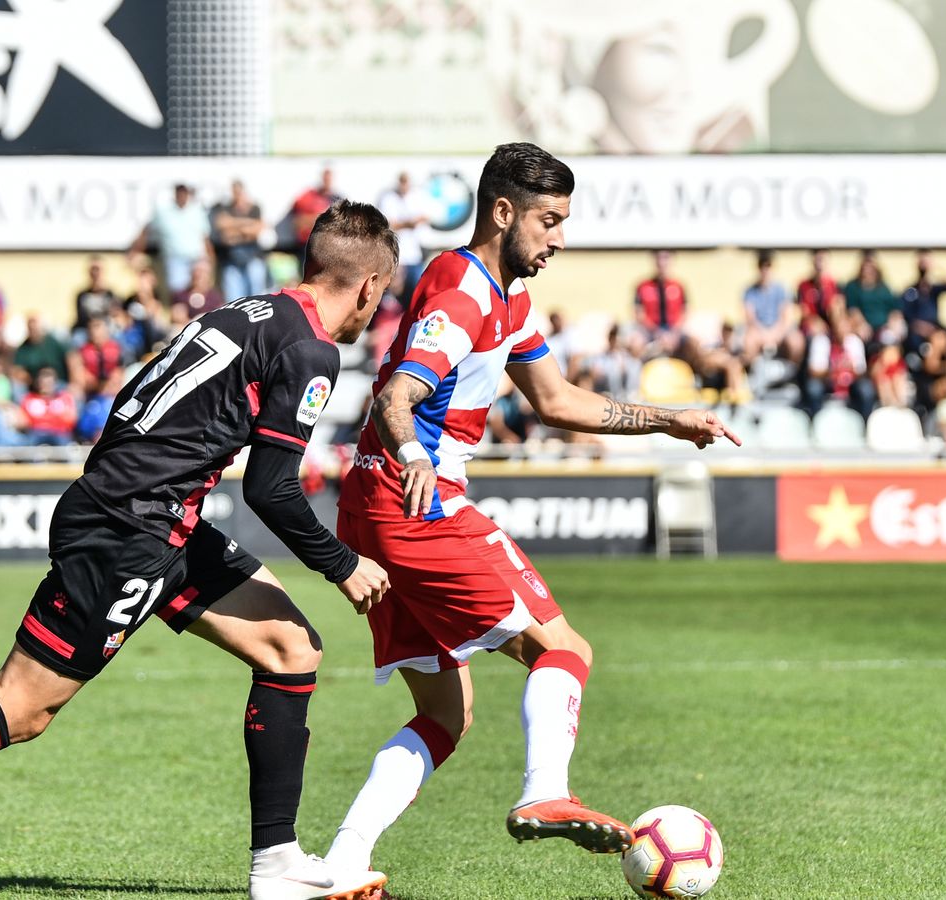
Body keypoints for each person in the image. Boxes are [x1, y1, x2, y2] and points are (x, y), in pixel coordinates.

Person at [0, 201, 402, 900]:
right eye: (383, 299)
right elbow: (272, 488)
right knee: (21, 708)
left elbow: (136, 398)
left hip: (153, 519)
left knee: (291, 649)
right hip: (129, 530)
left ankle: (278, 865)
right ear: (370, 286)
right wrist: (342, 563)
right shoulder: (310, 348)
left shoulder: (244, 312)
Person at [324, 144, 738, 891]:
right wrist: (416, 457)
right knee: (565, 648)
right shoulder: (464, 288)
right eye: (549, 221)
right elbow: (395, 397)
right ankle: (544, 791)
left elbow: (557, 401)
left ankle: (343, 863)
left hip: (375, 503)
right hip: (415, 499)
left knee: (446, 716)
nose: (559, 238)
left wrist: (668, 421)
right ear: (503, 212)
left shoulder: (505, 299)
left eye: (564, 222)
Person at [134, 183, 213, 292]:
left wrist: (210, 257)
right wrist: (136, 250)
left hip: (196, 258)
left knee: (201, 290)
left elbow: (205, 237)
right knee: (178, 291)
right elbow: (147, 230)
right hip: (175, 259)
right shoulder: (163, 212)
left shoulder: (196, 211)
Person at [212, 180, 270, 300]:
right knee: (233, 298)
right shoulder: (225, 208)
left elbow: (256, 231)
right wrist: (247, 225)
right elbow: (224, 231)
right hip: (231, 259)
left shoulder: (254, 208)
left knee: (256, 297)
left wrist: (233, 226)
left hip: (253, 257)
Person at [741, 250, 799, 365]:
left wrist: (775, 334)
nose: (765, 270)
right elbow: (750, 318)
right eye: (762, 266)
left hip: (779, 329)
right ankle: (753, 373)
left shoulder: (781, 289)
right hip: (759, 331)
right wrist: (764, 335)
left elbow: (786, 317)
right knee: (749, 341)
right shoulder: (750, 291)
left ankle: (793, 373)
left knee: (796, 342)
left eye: (768, 266)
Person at [378, 173, 429, 291]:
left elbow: (426, 217)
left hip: (413, 253)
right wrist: (409, 224)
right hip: (396, 253)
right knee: (394, 290)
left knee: (415, 289)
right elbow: (388, 224)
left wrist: (404, 224)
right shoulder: (389, 198)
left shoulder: (416, 197)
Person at [900, 249, 946, 353]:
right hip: (916, 332)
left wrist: (937, 269)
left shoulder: (934, 289)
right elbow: (906, 314)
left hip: (934, 328)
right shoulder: (911, 290)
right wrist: (921, 327)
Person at [18, 366, 79, 446]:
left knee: (65, 441)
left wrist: (44, 419)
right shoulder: (29, 399)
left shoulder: (64, 398)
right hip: (36, 433)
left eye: (49, 382)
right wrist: (54, 418)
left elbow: (71, 419)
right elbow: (23, 421)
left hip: (59, 433)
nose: (46, 385)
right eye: (43, 382)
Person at [844, 251, 899, 334]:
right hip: (862, 327)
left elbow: (894, 308)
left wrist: (893, 322)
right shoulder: (853, 287)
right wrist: (861, 323)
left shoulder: (883, 287)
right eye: (866, 265)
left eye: (871, 265)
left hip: (883, 327)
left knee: (892, 335)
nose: (868, 268)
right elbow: (852, 309)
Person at [289, 167, 343, 250]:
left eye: (329, 178)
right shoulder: (307, 196)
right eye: (325, 178)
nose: (327, 181)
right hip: (307, 245)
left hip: (328, 247)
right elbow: (297, 222)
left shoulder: (338, 199)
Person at [12, 315, 70, 388]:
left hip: (57, 383)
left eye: (35, 328)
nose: (34, 331)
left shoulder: (53, 343)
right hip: (35, 385)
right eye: (31, 329)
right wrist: (32, 381)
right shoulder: (24, 348)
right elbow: (17, 370)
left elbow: (71, 357)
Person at [796, 249, 844, 333]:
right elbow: (803, 311)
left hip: (832, 326)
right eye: (817, 259)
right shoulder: (804, 285)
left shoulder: (835, 285)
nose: (820, 264)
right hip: (812, 327)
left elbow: (839, 311)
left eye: (822, 260)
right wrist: (816, 322)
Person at [172, 258, 226, 322]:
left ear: (209, 275)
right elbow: (175, 316)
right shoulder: (181, 296)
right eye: (196, 271)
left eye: (202, 272)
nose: (198, 275)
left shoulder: (215, 298)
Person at [73, 255, 119, 332]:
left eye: (98, 269)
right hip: (87, 331)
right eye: (93, 269)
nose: (95, 273)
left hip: (107, 331)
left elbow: (115, 316)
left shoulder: (111, 295)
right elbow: (81, 319)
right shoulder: (82, 296)